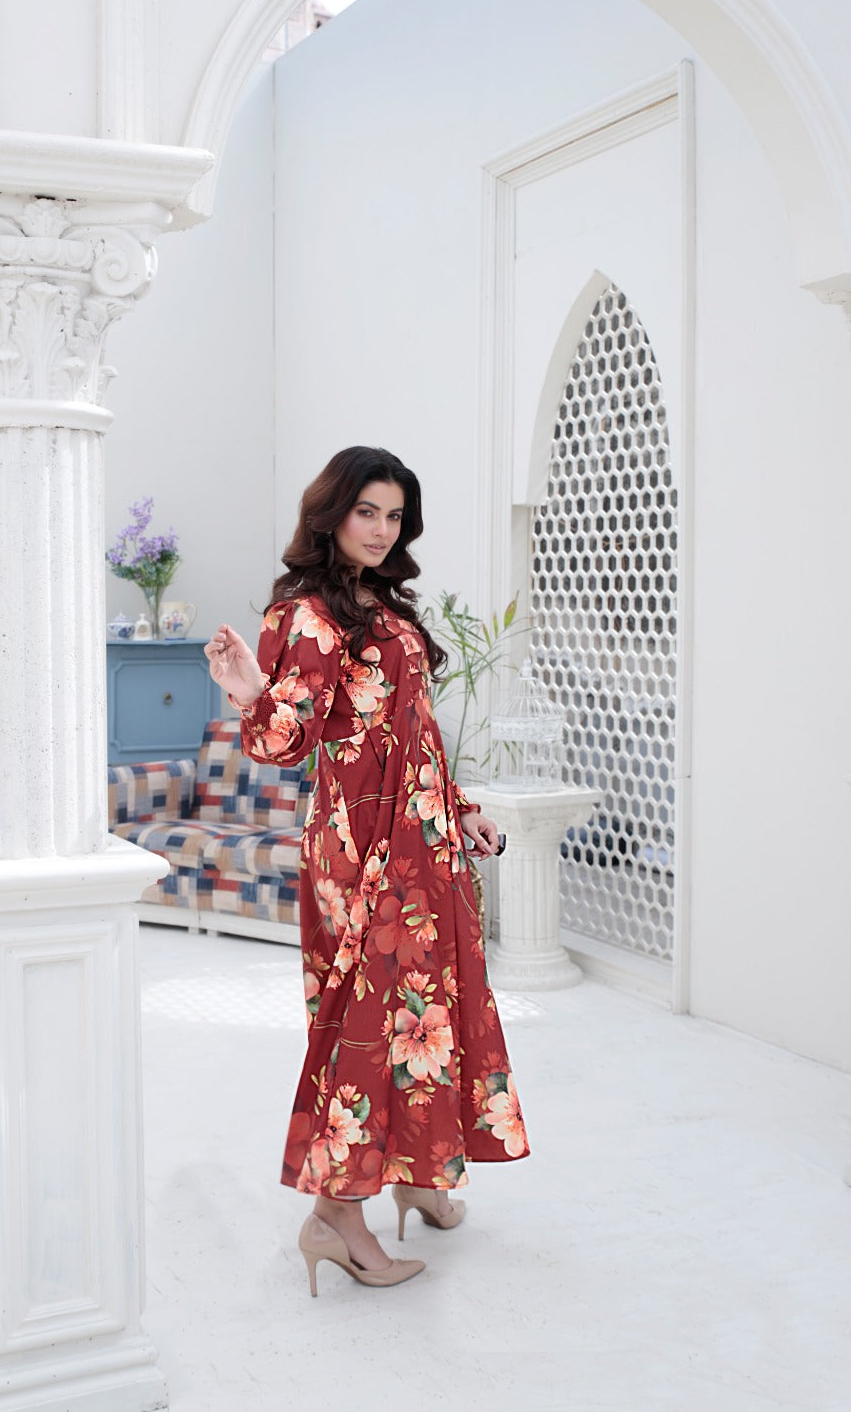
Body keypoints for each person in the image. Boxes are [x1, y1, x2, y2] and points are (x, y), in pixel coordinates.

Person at [204, 446, 528, 1295]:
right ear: (332, 513)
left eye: (394, 516)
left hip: (425, 842)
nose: (382, 530)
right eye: (366, 513)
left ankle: (419, 1175)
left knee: (428, 1011)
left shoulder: (380, 601)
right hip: (365, 851)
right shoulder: (307, 614)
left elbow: (415, 731)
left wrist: (460, 809)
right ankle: (337, 1215)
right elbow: (288, 742)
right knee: (372, 1022)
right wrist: (249, 690)